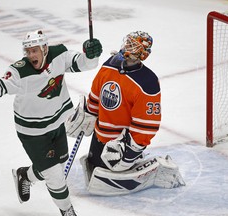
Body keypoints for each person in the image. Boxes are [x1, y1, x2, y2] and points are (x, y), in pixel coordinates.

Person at [0, 30, 102, 215]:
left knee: (57, 164)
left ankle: (24, 175)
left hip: (57, 123)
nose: (31, 55)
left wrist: (92, 55)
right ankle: (67, 211)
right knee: (55, 176)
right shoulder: (20, 71)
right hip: (32, 132)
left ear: (44, 48)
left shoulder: (59, 54)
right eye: (28, 52)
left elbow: (82, 63)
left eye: (35, 50)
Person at [66, 31, 185, 196]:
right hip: (100, 136)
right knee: (93, 168)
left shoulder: (147, 82)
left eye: (132, 45)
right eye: (127, 42)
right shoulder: (111, 64)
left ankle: (156, 169)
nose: (127, 47)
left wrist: (130, 152)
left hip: (119, 144)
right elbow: (97, 92)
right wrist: (88, 114)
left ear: (141, 53)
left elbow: (146, 125)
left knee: (104, 181)